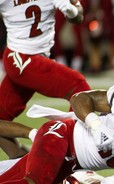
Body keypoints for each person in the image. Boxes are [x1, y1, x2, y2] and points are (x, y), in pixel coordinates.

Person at [0, 0, 91, 159]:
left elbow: (79, 17)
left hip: (34, 58)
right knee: (79, 87)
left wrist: (72, 11)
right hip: (21, 58)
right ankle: (71, 155)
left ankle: (20, 158)